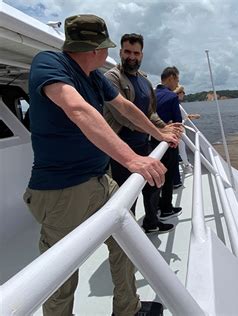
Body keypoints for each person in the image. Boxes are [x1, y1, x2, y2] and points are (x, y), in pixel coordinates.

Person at [23, 14, 178, 316]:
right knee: (61, 274)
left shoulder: (93, 77)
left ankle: (127, 309)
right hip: (62, 190)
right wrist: (132, 159)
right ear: (96, 49)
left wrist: (158, 133)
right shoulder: (49, 64)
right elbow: (77, 108)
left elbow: (125, 107)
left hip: (100, 180)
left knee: (127, 242)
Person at [104, 33, 178, 234]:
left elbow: (150, 112)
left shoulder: (144, 81)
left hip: (143, 145)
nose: (131, 56)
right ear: (120, 52)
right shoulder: (111, 78)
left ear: (142, 55)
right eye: (127, 51)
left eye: (136, 53)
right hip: (121, 151)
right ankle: (129, 236)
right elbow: (124, 117)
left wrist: (165, 127)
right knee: (128, 196)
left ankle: (151, 223)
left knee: (153, 186)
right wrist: (158, 133)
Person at [152, 67, 183, 219]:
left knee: (156, 177)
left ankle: (156, 206)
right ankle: (166, 209)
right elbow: (178, 122)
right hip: (168, 143)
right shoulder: (171, 97)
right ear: (170, 78)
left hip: (151, 142)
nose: (177, 84)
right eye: (177, 80)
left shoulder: (151, 95)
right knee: (169, 175)